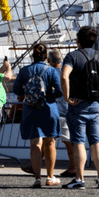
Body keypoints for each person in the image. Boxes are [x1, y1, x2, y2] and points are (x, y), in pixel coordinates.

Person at [61, 25, 99, 190]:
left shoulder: (73, 56)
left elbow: (64, 76)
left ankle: (79, 179)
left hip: (78, 105)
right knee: (96, 142)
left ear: (78, 40)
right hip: (96, 105)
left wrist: (67, 97)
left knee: (78, 142)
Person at [14, 42, 62, 188]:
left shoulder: (24, 71)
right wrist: (49, 95)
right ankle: (50, 176)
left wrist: (27, 95)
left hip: (30, 109)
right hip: (49, 108)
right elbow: (59, 91)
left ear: (32, 55)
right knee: (50, 143)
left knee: (35, 144)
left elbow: (16, 89)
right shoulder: (51, 71)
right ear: (46, 56)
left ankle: (37, 178)